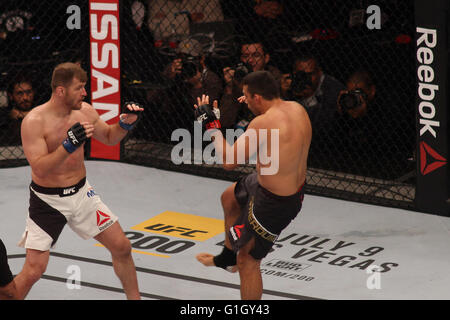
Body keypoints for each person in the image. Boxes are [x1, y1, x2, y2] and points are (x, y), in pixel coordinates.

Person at [14, 62, 143, 300]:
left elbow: (110, 137)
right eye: (79, 88)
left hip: (82, 195)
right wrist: (68, 145)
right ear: (61, 90)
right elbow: (40, 169)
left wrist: (125, 123)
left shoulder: (85, 111)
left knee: (122, 246)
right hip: (48, 201)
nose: (85, 93)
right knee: (33, 270)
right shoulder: (34, 121)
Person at [195, 71, 311, 300]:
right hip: (269, 181)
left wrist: (212, 127)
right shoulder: (297, 108)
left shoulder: (262, 122)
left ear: (258, 97)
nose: (244, 101)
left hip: (275, 202)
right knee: (229, 197)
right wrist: (253, 106)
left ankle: (237, 262)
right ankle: (228, 258)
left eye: (247, 97)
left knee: (248, 261)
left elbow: (229, 162)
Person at [219, 39, 281, 130]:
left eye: (256, 55)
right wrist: (229, 87)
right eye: (246, 56)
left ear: (266, 58)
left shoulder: (273, 76)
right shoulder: (237, 77)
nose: (250, 60)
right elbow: (224, 121)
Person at [290, 53, 345, 135]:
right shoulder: (292, 83)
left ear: (319, 72)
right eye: (302, 75)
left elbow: (323, 126)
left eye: (310, 74)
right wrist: (283, 95)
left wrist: (309, 98)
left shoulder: (333, 89)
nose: (306, 79)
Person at [0, 75, 36, 146]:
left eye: (29, 92)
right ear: (11, 96)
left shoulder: (43, 109)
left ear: (34, 93)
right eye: (20, 93)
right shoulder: (5, 115)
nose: (25, 98)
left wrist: (23, 115)